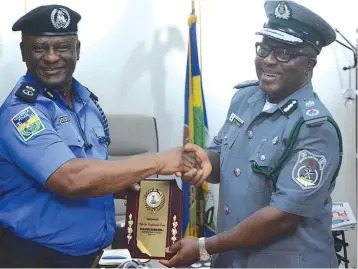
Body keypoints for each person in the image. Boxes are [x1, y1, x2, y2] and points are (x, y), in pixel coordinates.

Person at [0, 4, 211, 268]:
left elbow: (89, 168)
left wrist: (117, 183)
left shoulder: (85, 102)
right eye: (40, 48)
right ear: (24, 52)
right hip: (38, 259)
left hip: (93, 257)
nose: (52, 57)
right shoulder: (21, 113)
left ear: (77, 49)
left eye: (62, 47)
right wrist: (158, 161)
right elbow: (71, 177)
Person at [160, 0, 343, 268]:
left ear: (309, 65)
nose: (268, 59)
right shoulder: (245, 99)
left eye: (284, 53)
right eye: (265, 49)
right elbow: (222, 157)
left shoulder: (315, 128)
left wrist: (203, 247)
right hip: (231, 260)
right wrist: (205, 162)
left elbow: (282, 216)